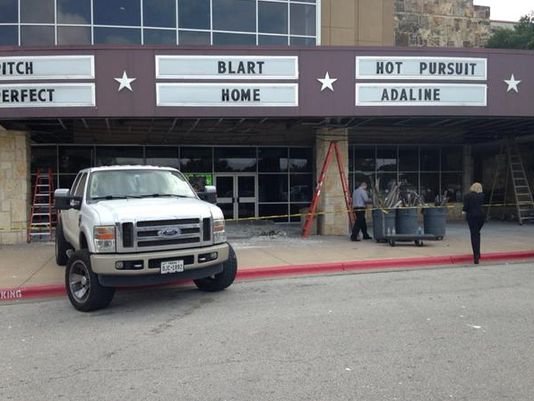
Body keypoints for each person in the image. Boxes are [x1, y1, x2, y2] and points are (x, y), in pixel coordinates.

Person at [462, 182, 485, 264]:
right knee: (477, 233)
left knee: (474, 235)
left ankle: (476, 255)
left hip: (472, 217)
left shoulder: (467, 196)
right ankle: (478, 253)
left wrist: (464, 211)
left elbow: (466, 207)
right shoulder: (481, 196)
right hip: (481, 217)